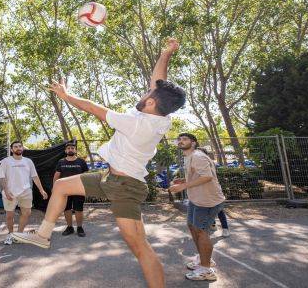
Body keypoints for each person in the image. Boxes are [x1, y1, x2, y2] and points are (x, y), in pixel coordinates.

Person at [12, 38, 186, 288]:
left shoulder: (137, 123)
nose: (144, 91)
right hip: (110, 178)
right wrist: (166, 53)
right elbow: (158, 82)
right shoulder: (159, 116)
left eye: (146, 93)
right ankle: (43, 235)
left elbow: (93, 108)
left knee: (140, 248)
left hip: (126, 186)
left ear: (150, 102)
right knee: (61, 187)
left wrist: (66, 95)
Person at [169, 133, 226, 281]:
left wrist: (183, 186)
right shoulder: (189, 156)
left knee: (201, 232)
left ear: (193, 143)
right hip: (196, 200)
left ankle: (206, 270)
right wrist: (183, 180)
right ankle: (203, 259)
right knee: (192, 226)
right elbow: (199, 175)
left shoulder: (198, 156)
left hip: (208, 201)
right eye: (179, 139)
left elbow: (207, 177)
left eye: (185, 139)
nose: (181, 141)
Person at [0, 141, 48, 245]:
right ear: (12, 149)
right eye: (15, 147)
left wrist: (41, 190)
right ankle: (10, 234)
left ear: (23, 148)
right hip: (10, 192)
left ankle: (19, 235)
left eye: (20, 146)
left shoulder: (28, 161)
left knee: (26, 213)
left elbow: (35, 176)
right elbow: (2, 177)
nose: (18, 148)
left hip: (26, 192)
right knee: (9, 216)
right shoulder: (5, 161)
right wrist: (7, 192)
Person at [53, 142, 88, 237]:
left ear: (75, 150)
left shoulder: (81, 162)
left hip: (79, 189)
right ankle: (70, 227)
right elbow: (56, 176)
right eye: (68, 148)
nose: (70, 149)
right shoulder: (61, 162)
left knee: (78, 209)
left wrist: (87, 188)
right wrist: (54, 188)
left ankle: (79, 228)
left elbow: (86, 176)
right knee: (67, 209)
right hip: (65, 190)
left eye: (72, 148)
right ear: (65, 151)